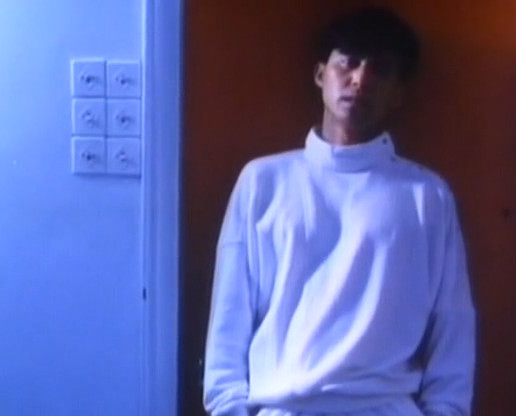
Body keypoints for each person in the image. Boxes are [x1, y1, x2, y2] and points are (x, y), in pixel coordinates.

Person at [203, 6, 475, 416]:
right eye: (347, 62)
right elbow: (230, 315)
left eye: (380, 69)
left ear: (398, 93)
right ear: (320, 74)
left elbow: (453, 327)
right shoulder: (264, 182)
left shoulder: (426, 197)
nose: (360, 79)